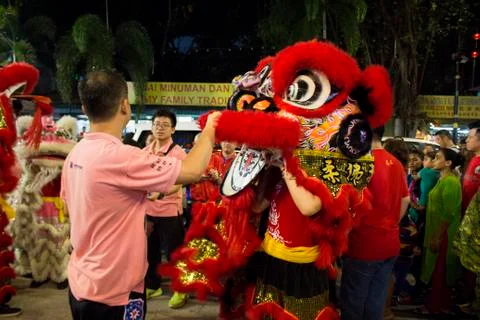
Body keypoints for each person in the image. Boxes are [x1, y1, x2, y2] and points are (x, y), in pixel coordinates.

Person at [62, 70, 220, 320]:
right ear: (125, 106)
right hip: (115, 290)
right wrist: (210, 130)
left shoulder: (76, 153)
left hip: (82, 280)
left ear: (84, 107)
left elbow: (72, 208)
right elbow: (191, 171)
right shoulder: (124, 156)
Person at [341, 126, 410, 320]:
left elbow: (346, 203)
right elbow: (405, 199)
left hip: (364, 244)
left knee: (353, 303)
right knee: (376, 303)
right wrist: (391, 222)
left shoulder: (361, 163)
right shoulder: (396, 163)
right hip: (389, 243)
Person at [142, 110, 188, 308]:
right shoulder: (145, 152)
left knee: (174, 253)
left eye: (165, 125)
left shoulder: (178, 153)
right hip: (148, 211)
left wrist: (160, 194)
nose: (160, 127)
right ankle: (153, 285)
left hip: (169, 211)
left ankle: (180, 289)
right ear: (152, 126)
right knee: (149, 252)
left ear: (173, 129)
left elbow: (181, 181)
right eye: (157, 124)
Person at [417, 148, 462, 317]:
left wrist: (438, 236)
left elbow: (449, 213)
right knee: (436, 271)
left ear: (448, 163)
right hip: (437, 231)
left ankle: (436, 307)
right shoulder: (442, 179)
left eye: (438, 158)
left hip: (444, 235)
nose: (434, 160)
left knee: (440, 272)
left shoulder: (450, 182)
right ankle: (436, 305)